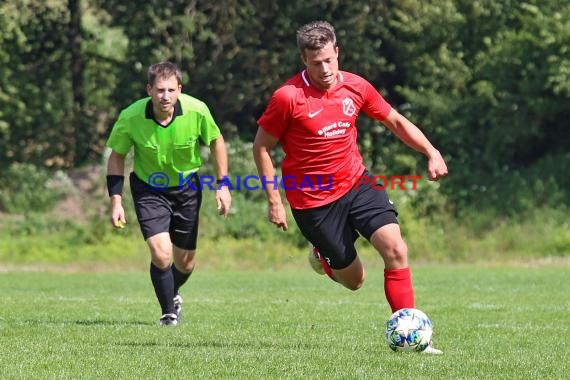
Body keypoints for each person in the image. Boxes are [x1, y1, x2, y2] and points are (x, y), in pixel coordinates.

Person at [253, 21, 447, 353]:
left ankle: (411, 335)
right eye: (316, 63)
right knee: (355, 281)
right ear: (304, 59)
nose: (325, 69)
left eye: (329, 60)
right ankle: (322, 256)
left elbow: (395, 121)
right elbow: (261, 147)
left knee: (396, 249)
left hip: (357, 183)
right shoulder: (287, 97)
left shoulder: (356, 86)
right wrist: (274, 200)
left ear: (337, 52)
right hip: (313, 202)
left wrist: (430, 151)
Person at [106, 61, 231, 326]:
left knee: (185, 263)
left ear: (179, 89)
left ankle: (171, 292)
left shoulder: (197, 110)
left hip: (187, 189)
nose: (166, 96)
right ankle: (168, 313)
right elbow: (117, 156)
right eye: (160, 90)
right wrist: (116, 200)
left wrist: (223, 184)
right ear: (149, 89)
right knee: (161, 253)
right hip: (149, 189)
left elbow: (216, 141)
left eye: (171, 90)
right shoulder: (130, 117)